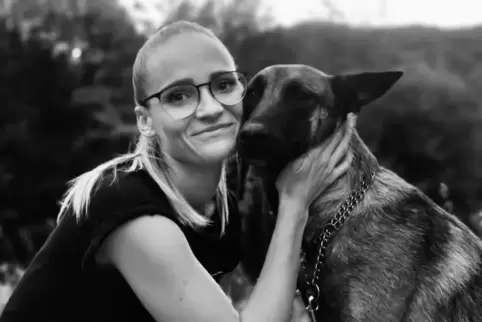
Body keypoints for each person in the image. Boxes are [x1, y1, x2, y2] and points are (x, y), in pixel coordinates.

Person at [0, 20, 354, 322]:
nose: (211, 109)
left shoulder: (220, 209)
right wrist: (295, 204)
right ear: (145, 121)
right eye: (179, 96)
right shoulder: (130, 213)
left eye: (224, 85)